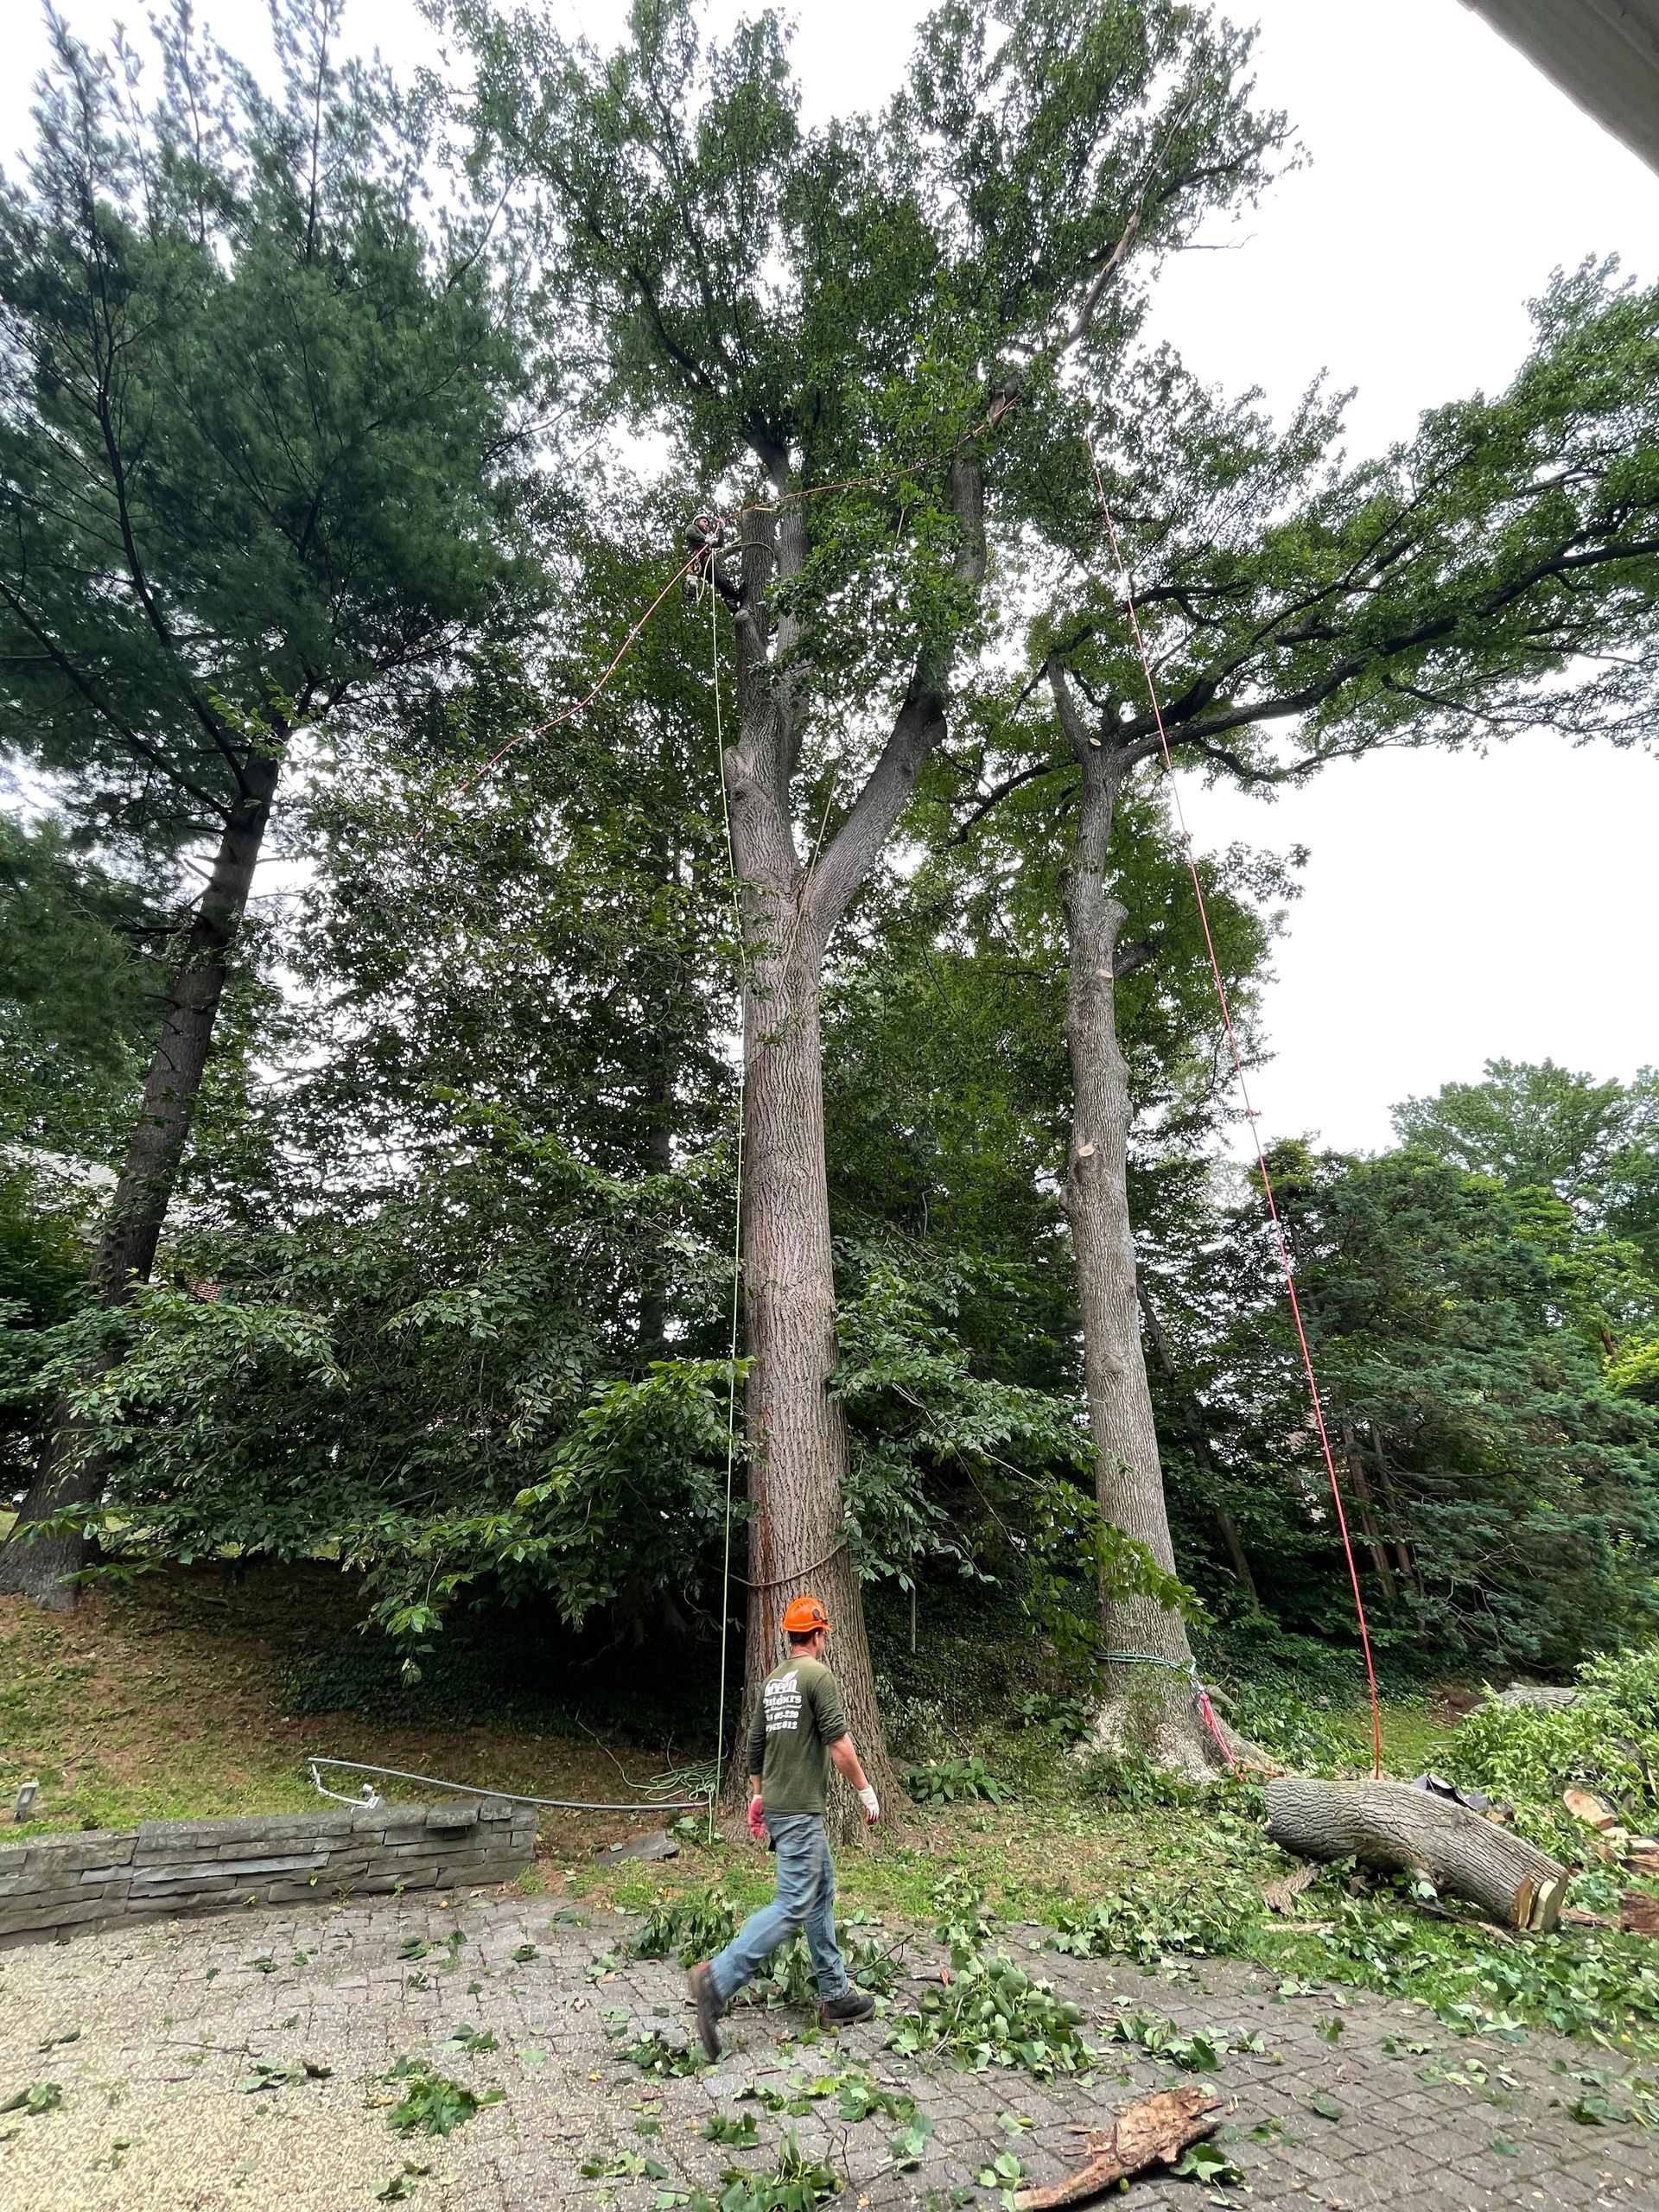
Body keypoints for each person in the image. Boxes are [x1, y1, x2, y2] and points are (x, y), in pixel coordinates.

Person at [689, 1593, 880, 2057]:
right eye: (823, 1636)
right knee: (794, 1903)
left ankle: (835, 1995)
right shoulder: (818, 1676)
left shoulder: (773, 1681)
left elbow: (755, 1746)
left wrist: (757, 1796)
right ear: (817, 1636)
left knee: (820, 1892)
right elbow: (839, 1745)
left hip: (778, 1804)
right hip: (798, 1810)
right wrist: (864, 1790)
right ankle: (716, 1980)